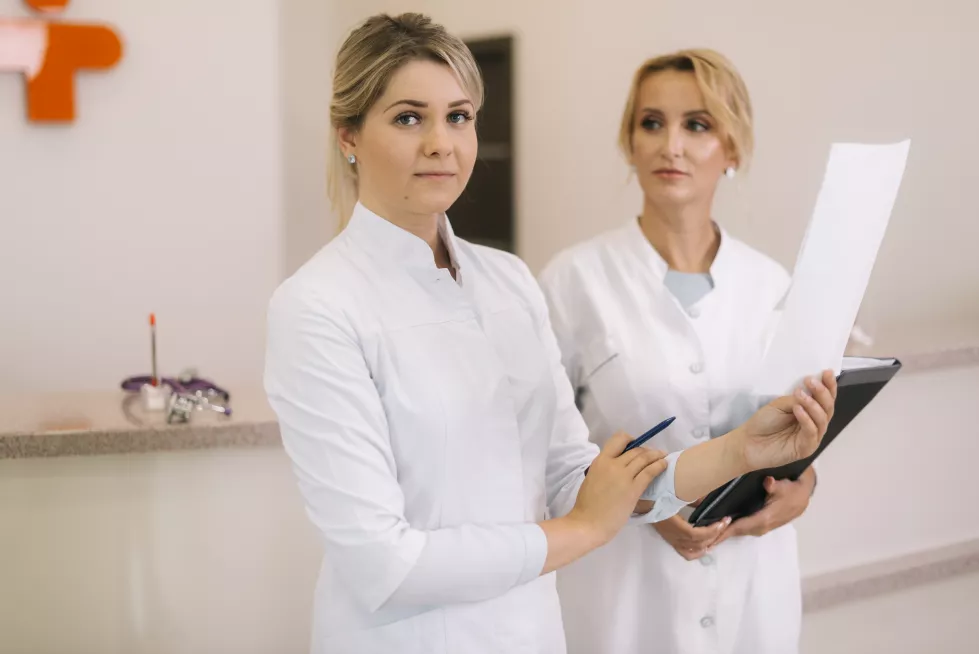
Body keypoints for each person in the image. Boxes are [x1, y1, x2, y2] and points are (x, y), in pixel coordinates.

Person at [264, 18, 837, 654]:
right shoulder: (316, 306)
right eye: (407, 118)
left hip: (531, 634)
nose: (440, 143)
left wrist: (739, 452)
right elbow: (383, 561)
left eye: (458, 117)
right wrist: (586, 530)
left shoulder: (507, 281)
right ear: (349, 135)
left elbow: (572, 471)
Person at [540, 49, 819, 654]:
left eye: (697, 124)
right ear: (630, 143)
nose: (672, 144)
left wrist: (804, 484)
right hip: (622, 587)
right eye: (651, 123)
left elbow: (795, 429)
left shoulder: (774, 286)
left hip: (753, 584)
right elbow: (541, 445)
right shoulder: (574, 280)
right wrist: (641, 500)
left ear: (733, 148)